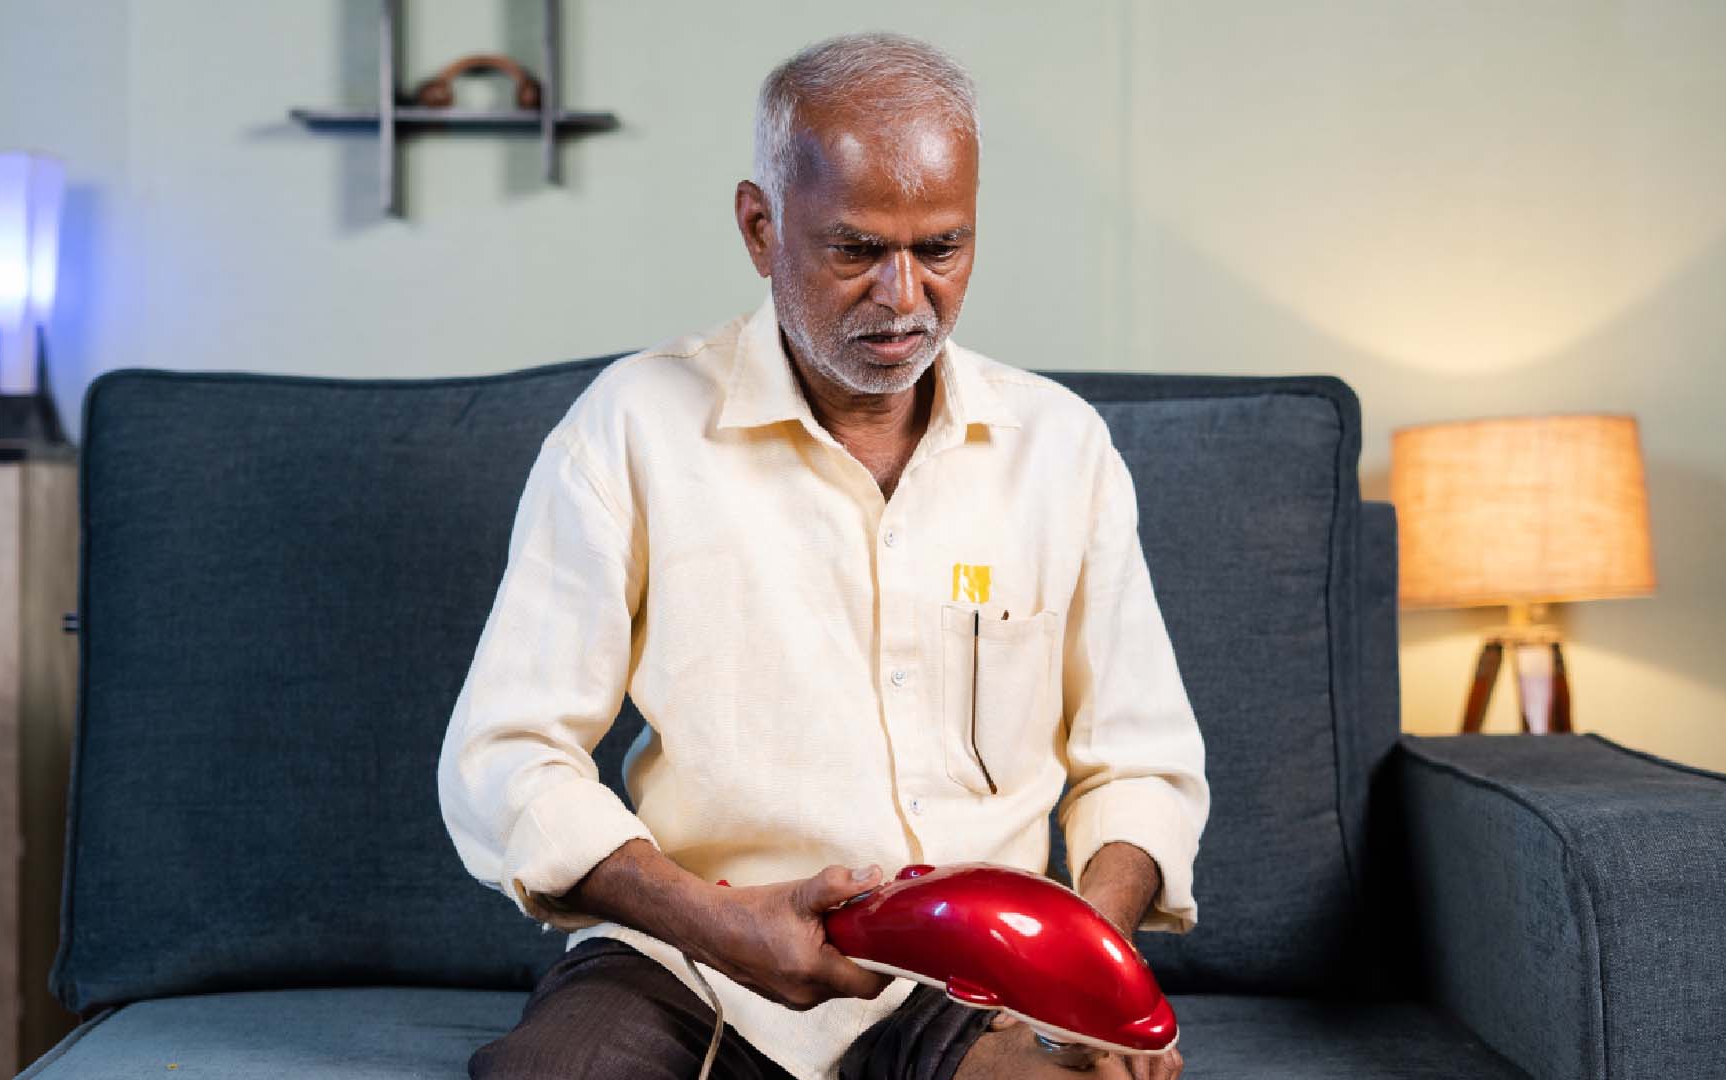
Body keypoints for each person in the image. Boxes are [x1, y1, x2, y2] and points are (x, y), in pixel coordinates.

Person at [439, 31, 1207, 1080]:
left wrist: (1082, 974)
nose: (903, 299)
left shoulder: (1060, 449)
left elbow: (1142, 763)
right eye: (855, 250)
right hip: (688, 961)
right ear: (760, 228)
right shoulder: (629, 426)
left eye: (940, 248)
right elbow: (506, 754)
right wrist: (718, 921)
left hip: (965, 985)